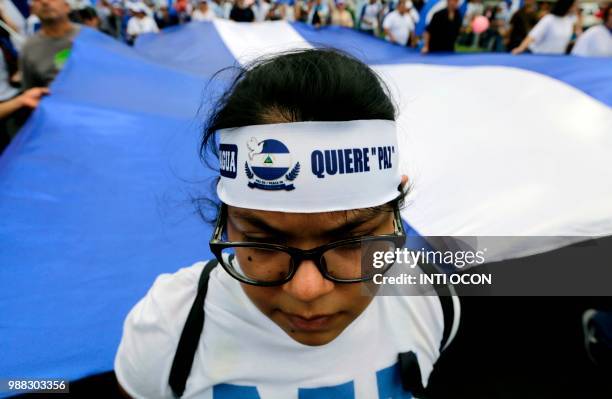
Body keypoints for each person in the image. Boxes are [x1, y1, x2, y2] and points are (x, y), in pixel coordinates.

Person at [115, 49, 460, 398]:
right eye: (264, 243)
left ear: (394, 217)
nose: (307, 290)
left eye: (353, 241)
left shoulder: (429, 298)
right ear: (227, 219)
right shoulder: (169, 328)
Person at [19, 0, 81, 90]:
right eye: (37, 0)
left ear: (67, 6)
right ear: (32, 10)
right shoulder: (28, 48)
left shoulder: (89, 37)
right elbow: (31, 92)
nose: (45, 2)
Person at [511, 0, 582, 55]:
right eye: (575, 5)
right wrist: (520, 48)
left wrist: (579, 17)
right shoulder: (549, 19)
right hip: (540, 56)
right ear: (568, 6)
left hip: (558, 57)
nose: (577, 8)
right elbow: (532, 36)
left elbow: (577, 34)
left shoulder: (569, 20)